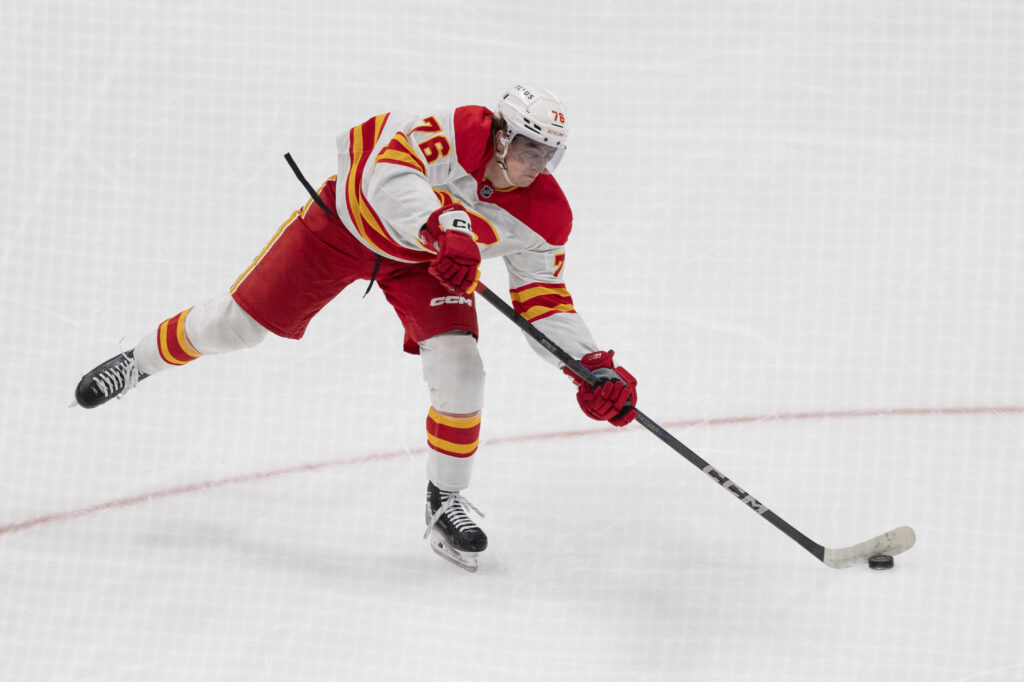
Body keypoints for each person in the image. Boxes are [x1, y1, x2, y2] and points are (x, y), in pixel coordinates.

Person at [74, 84, 639, 572]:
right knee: (236, 326)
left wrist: (589, 367)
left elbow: (542, 297)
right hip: (344, 226)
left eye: (550, 154)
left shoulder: (546, 214)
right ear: (501, 137)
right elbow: (385, 173)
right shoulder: (454, 131)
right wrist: (441, 224)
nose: (540, 165)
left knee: (463, 371)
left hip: (427, 264)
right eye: (531, 149)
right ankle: (137, 362)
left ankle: (445, 500)